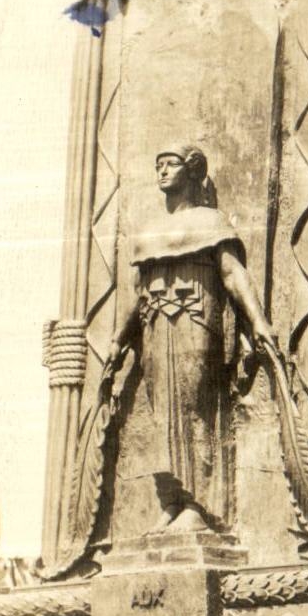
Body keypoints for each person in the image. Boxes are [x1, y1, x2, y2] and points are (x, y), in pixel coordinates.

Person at [107, 144, 276, 535]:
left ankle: (200, 505)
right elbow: (138, 292)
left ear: (192, 171)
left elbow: (232, 275)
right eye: (158, 164)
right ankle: (171, 502)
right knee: (161, 415)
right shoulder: (149, 231)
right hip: (155, 327)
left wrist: (259, 322)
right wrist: (118, 341)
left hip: (197, 319)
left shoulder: (211, 221)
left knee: (196, 407)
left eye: (170, 164)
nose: (162, 171)